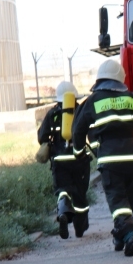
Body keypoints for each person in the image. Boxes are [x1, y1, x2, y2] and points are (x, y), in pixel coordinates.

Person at [71, 59, 133, 257]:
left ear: (100, 80)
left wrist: (78, 152)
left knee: (117, 200)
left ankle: (130, 234)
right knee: (128, 199)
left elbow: (78, 129)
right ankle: (120, 234)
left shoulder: (93, 101)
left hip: (110, 159)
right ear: (120, 80)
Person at [37, 81, 91, 239]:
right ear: (74, 96)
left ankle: (63, 213)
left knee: (62, 190)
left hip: (59, 160)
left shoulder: (52, 113)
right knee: (80, 193)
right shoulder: (81, 110)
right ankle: (80, 228)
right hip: (79, 158)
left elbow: (42, 137)